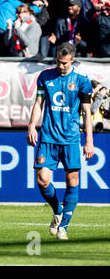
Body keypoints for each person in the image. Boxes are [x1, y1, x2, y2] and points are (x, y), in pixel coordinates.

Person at [27, 42, 94, 241]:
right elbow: (38, 103)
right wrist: (32, 125)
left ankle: (63, 226)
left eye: (64, 63)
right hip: (48, 137)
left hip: (71, 138)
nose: (61, 66)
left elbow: (87, 113)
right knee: (42, 179)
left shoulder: (82, 81)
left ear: (72, 60)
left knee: (72, 181)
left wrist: (89, 141)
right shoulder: (45, 77)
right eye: (58, 61)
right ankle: (58, 209)